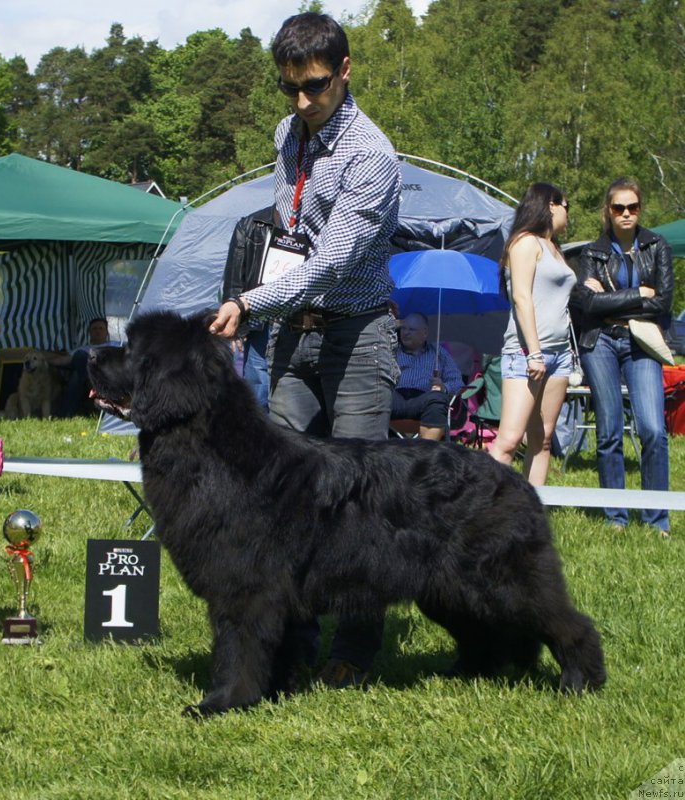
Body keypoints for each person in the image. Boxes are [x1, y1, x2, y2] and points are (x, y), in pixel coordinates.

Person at [208, 12, 401, 689]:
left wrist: (248, 303)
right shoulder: (286, 134)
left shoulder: (372, 155)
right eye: (287, 87)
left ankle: (356, 648)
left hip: (357, 333)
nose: (300, 102)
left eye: (314, 87)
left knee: (357, 500)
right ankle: (291, 636)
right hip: (296, 331)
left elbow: (331, 261)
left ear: (344, 71)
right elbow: (287, 235)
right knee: (283, 490)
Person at [574, 178, 672, 536]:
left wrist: (611, 301)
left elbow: (662, 302)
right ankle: (616, 517)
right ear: (608, 211)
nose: (626, 213)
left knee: (653, 429)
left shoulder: (657, 246)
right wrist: (637, 294)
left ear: (640, 209)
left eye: (632, 207)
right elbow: (585, 303)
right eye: (619, 208)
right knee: (609, 430)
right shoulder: (591, 253)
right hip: (599, 341)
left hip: (642, 341)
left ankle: (657, 518)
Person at [490, 183, 574, 486]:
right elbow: (522, 298)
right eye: (567, 205)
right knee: (509, 440)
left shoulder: (555, 248)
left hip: (560, 355)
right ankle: (482, 509)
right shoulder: (525, 243)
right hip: (527, 354)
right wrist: (535, 352)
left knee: (543, 438)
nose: (568, 213)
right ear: (551, 205)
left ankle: (534, 510)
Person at [221, 206, 276, 411]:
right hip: (260, 324)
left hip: (298, 320)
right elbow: (234, 276)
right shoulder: (250, 224)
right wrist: (236, 327)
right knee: (258, 399)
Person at [392, 312, 465, 440]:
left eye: (411, 329)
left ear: (424, 333)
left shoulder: (439, 353)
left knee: (437, 398)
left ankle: (426, 452)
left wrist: (443, 387)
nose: (405, 333)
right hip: (396, 398)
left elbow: (458, 382)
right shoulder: (392, 351)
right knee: (379, 395)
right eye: (404, 328)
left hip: (424, 400)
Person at [48, 317, 116, 416]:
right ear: (90, 333)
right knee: (80, 357)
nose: (97, 331)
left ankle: (65, 414)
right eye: (94, 329)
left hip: (107, 377)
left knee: (77, 376)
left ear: (107, 332)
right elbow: (63, 360)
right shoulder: (83, 348)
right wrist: (43, 359)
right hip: (88, 378)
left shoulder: (116, 345)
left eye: (101, 328)